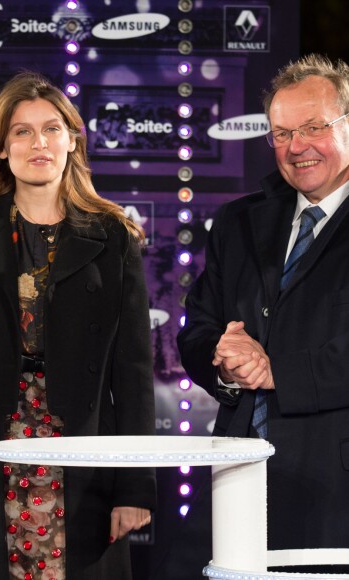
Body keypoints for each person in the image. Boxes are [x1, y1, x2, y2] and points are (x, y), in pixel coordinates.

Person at [0, 71, 157, 579]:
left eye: (51, 129)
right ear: (1, 147)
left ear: (72, 140)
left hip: (82, 452)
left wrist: (133, 486)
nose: (37, 143)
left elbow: (132, 371)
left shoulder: (113, 236)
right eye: (21, 131)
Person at [177, 53, 349, 573]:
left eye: (314, 127)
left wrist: (279, 371)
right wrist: (226, 363)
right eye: (281, 133)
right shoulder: (237, 221)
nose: (297, 147)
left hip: (333, 488)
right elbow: (198, 329)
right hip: (236, 473)